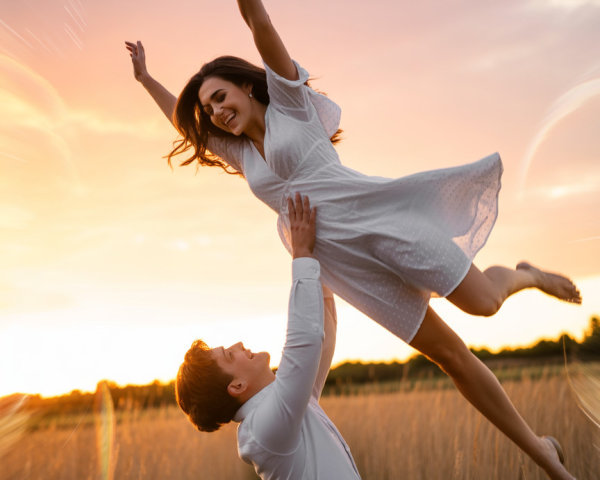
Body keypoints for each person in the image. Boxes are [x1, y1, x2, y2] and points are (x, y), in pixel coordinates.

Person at [125, 1, 581, 478]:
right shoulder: (242, 155)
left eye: (220, 96)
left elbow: (259, 22)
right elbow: (184, 126)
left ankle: (525, 274)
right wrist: (145, 80)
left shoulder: (290, 103)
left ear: (245, 84)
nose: (216, 111)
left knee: (484, 303)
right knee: (452, 357)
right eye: (208, 108)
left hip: (381, 223)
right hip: (344, 266)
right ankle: (544, 457)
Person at [176, 194, 361, 479]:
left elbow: (324, 332)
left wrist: (313, 254)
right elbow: (306, 341)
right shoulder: (262, 428)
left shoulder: (287, 405)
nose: (238, 345)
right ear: (237, 385)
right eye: (229, 355)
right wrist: (301, 254)